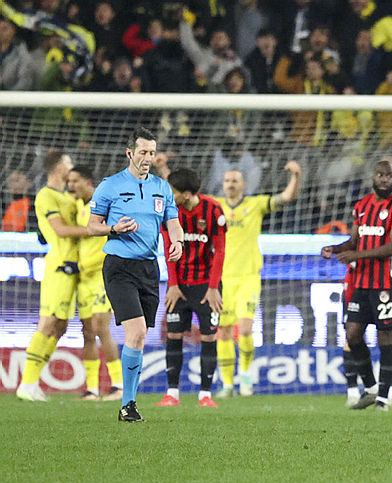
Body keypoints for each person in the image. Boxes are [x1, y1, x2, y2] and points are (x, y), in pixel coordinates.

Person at [87, 127, 183, 423]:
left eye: (152, 153)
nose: (148, 158)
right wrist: (114, 228)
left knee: (139, 337)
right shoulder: (110, 185)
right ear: (129, 153)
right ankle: (128, 404)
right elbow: (93, 226)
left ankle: (128, 403)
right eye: (142, 152)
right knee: (138, 331)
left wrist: (178, 241)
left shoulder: (161, 187)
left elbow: (173, 222)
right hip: (119, 266)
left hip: (148, 268)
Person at [321, 160, 392, 412]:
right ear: (373, 177)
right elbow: (354, 241)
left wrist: (355, 256)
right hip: (362, 281)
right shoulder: (362, 206)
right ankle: (370, 388)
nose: (384, 179)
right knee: (352, 334)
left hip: (387, 283)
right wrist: (335, 249)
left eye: (389, 176)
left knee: (386, 336)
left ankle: (383, 398)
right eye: (380, 174)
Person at [214, 164, 301, 397]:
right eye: (227, 181)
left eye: (234, 181)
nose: (230, 184)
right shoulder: (214, 206)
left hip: (248, 277)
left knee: (243, 328)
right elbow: (183, 195)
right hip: (222, 279)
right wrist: (165, 170)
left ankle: (245, 376)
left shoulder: (255, 205)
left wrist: (296, 175)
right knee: (222, 331)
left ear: (243, 185)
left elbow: (286, 197)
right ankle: (227, 385)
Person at [15, 151, 86, 402]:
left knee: (61, 326)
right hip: (59, 266)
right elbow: (58, 230)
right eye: (68, 162)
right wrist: (90, 229)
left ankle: (33, 381)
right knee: (47, 323)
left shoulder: (67, 196)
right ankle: (27, 383)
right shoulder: (46, 196)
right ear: (57, 168)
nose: (72, 166)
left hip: (74, 268)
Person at [157, 168, 226, 408]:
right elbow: (169, 249)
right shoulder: (170, 211)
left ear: (186, 194)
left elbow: (220, 252)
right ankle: (172, 394)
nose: (169, 195)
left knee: (209, 336)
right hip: (180, 285)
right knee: (174, 335)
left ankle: (205, 395)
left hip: (207, 287)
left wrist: (213, 288)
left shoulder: (213, 210)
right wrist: (173, 285)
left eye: (173, 192)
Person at [67, 165, 123, 401]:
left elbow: (107, 243)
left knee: (102, 327)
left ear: (89, 182)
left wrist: (81, 266)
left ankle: (119, 386)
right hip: (84, 280)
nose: (71, 186)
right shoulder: (77, 207)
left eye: (75, 181)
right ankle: (91, 389)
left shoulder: (103, 206)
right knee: (88, 332)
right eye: (69, 181)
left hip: (102, 276)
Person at [338, 237, 392, 409]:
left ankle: (391, 393)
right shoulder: (358, 252)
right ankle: (355, 392)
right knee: (351, 338)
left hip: (385, 291)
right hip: (356, 293)